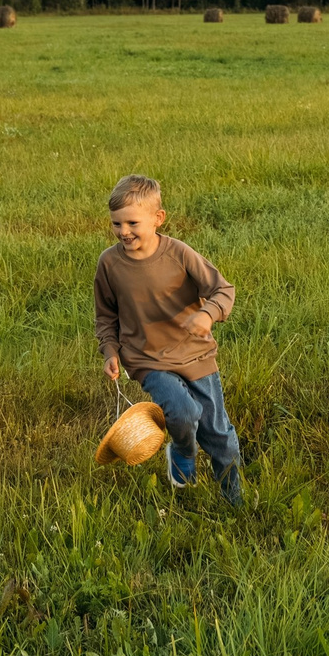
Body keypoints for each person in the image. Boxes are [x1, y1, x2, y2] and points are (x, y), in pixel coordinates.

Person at [95, 175, 245, 506]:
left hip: (195, 356)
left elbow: (224, 290)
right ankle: (181, 450)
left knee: (219, 435)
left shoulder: (178, 254)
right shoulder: (109, 263)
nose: (124, 231)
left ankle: (235, 500)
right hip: (146, 358)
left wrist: (207, 315)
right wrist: (110, 351)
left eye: (132, 222)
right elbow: (105, 315)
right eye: (116, 224)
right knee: (181, 411)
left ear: (158, 218)